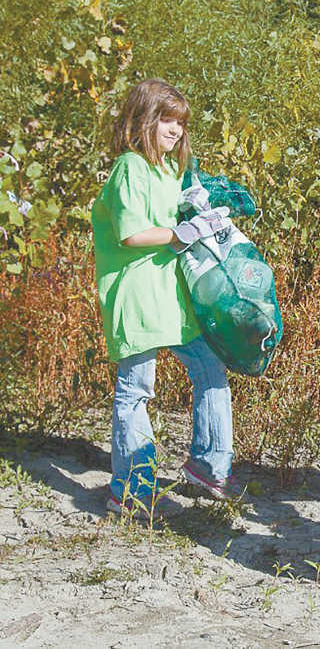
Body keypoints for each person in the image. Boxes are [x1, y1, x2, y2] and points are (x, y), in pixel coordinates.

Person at [91, 79, 238, 514]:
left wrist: (205, 211)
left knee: (210, 368)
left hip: (171, 295)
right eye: (166, 121)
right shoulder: (130, 168)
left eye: (180, 123)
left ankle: (209, 466)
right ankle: (130, 490)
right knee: (136, 388)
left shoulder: (170, 171)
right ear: (143, 121)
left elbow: (184, 214)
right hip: (136, 294)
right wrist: (180, 231)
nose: (176, 130)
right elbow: (132, 233)